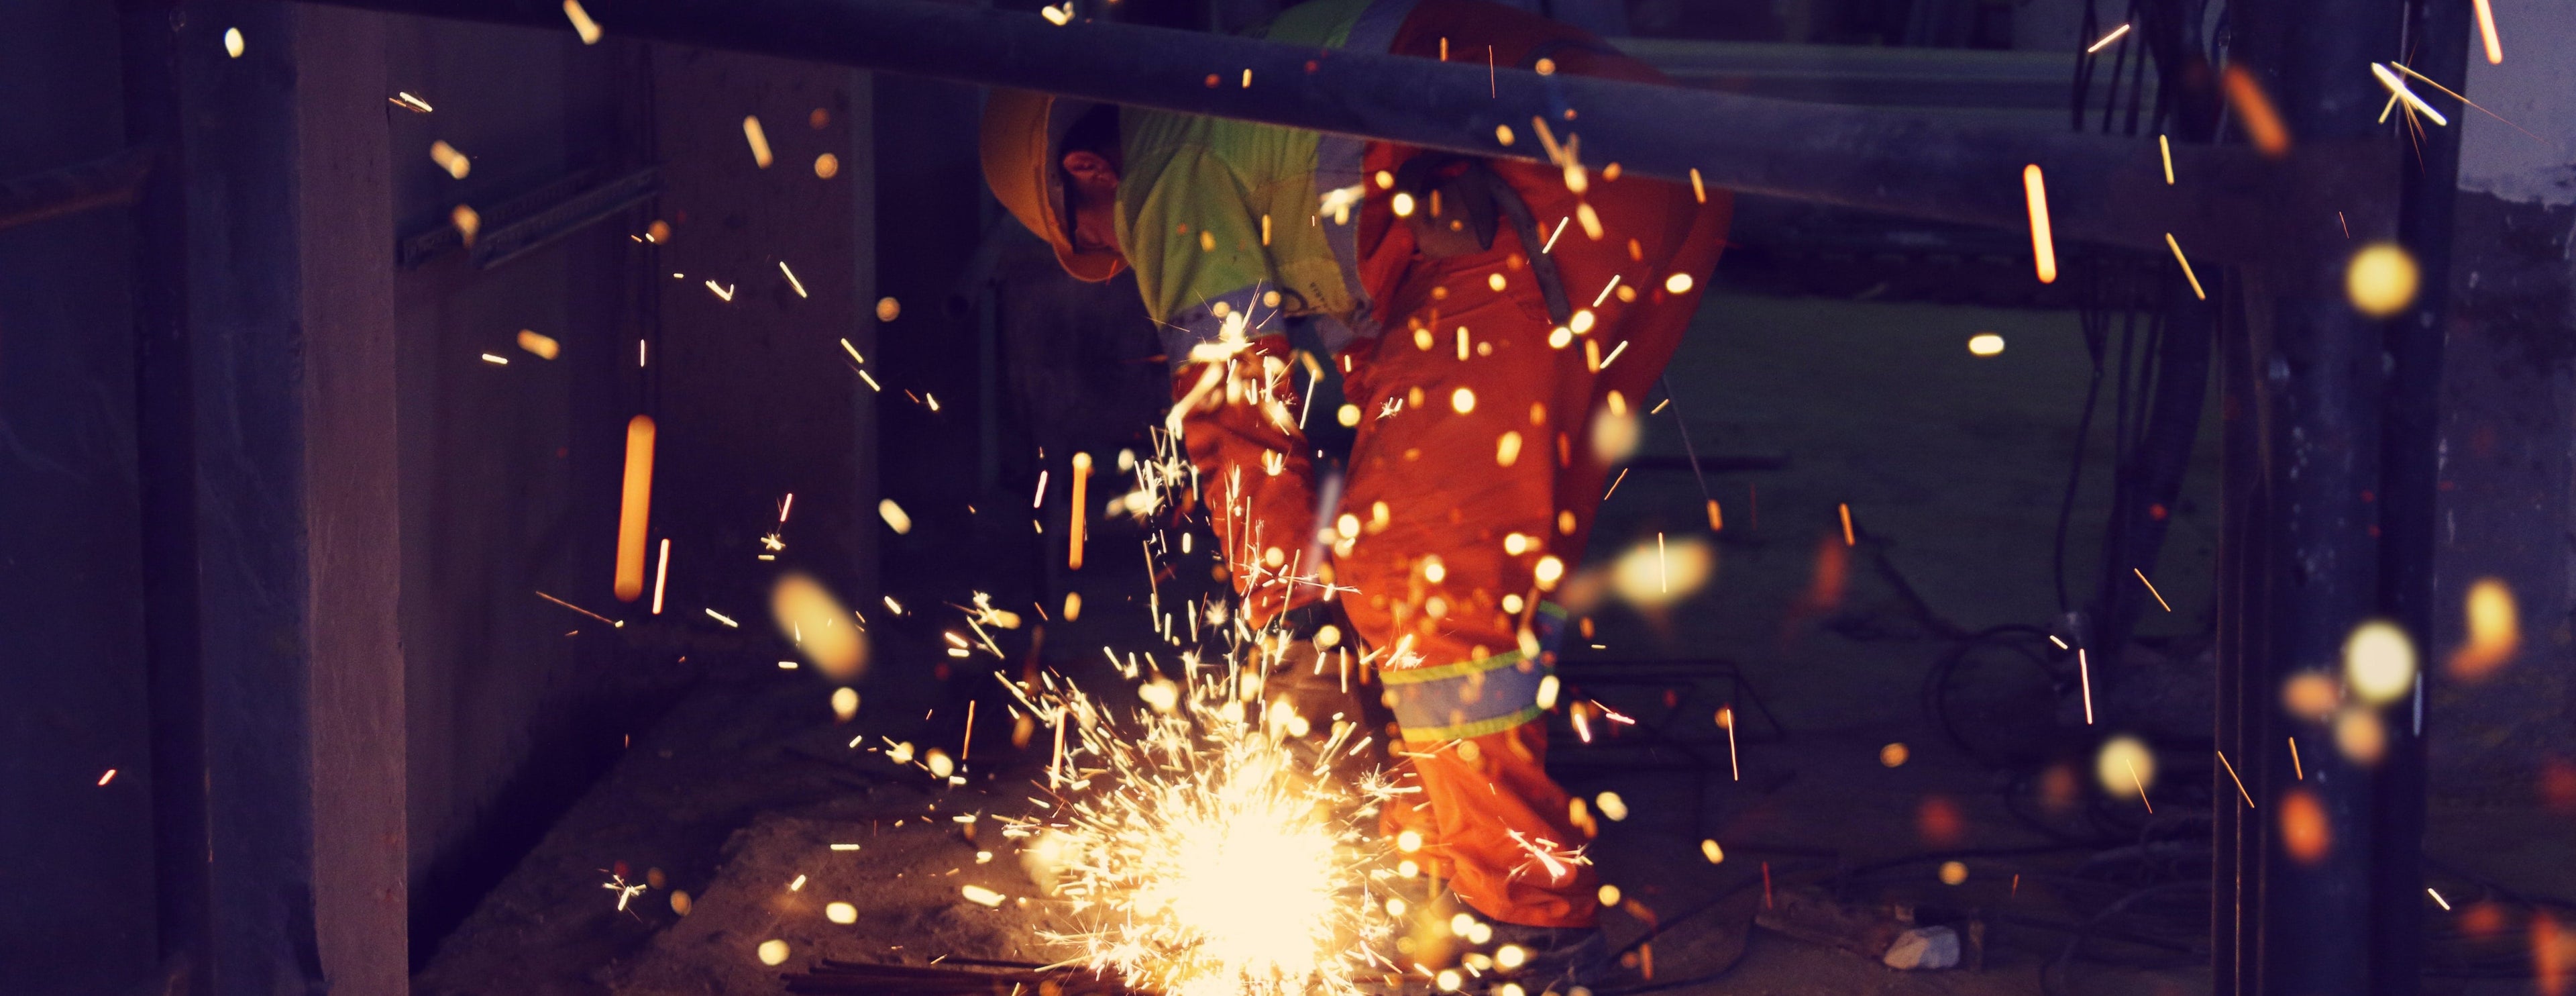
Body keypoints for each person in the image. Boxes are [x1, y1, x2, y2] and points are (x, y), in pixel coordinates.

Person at [981, 0, 1730, 983]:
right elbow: (1387, 341)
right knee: (1489, 569)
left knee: (1418, 576)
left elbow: (1232, 407)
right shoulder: (1240, 97)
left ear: (1087, 171)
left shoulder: (1162, 156)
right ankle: (1446, 856)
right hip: (1651, 172)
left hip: (1533, 189)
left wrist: (1289, 612)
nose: (1124, 261)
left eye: (1098, 240)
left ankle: (1532, 926)